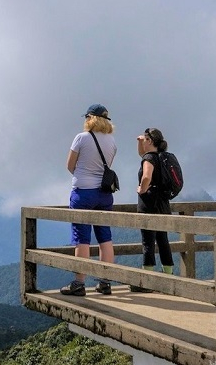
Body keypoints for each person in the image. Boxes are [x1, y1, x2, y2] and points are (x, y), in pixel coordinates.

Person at [59, 103, 117, 296]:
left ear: (90, 118)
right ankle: (105, 282)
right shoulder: (112, 141)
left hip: (83, 192)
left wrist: (83, 175)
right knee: (105, 237)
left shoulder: (81, 138)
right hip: (104, 194)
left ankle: (79, 283)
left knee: (81, 239)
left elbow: (70, 165)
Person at [130, 127, 175, 293]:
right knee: (163, 240)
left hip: (149, 205)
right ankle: (168, 277)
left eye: (145, 139)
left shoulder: (149, 158)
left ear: (150, 141)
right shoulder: (161, 157)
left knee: (148, 242)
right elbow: (142, 154)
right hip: (162, 205)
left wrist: (141, 189)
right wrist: (140, 142)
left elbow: (147, 176)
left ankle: (147, 281)